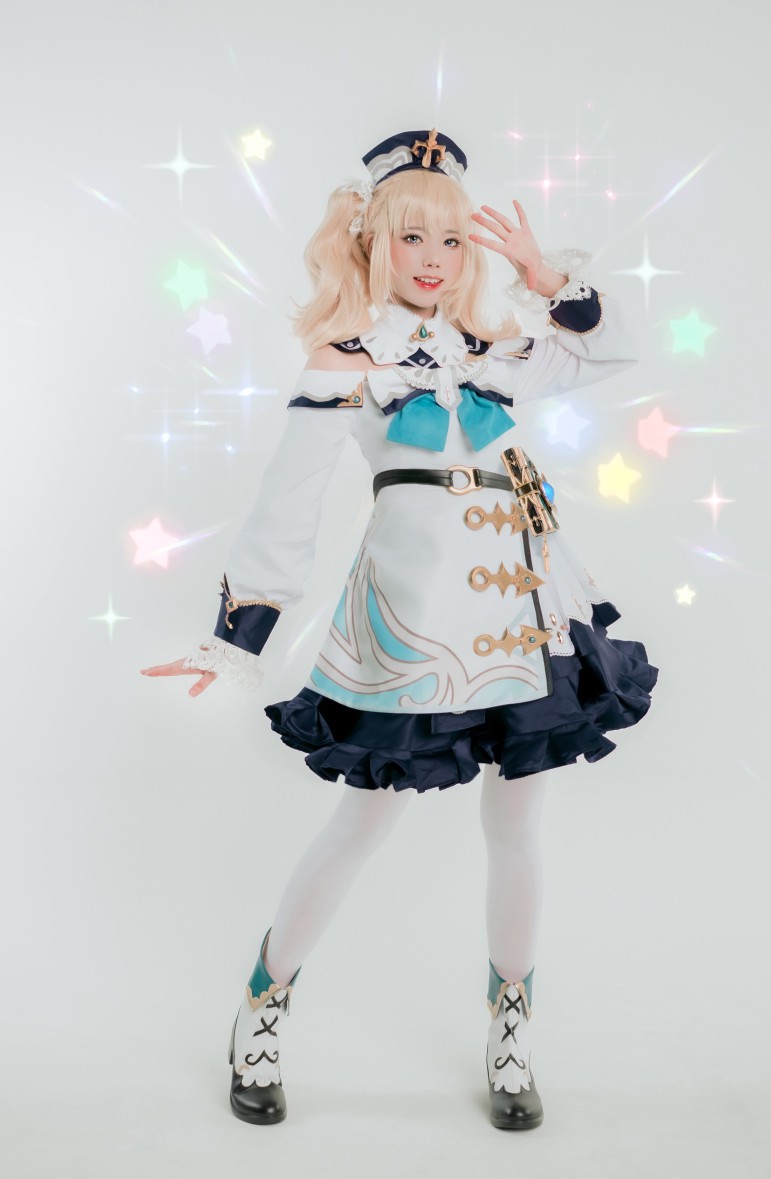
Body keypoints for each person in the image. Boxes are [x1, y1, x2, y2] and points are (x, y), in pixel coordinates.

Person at [140, 126, 659, 1131]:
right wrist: (236, 641)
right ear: (371, 242)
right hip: (412, 625)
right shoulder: (344, 363)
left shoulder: (501, 351)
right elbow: (288, 500)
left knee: (518, 824)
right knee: (362, 822)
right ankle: (263, 1004)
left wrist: (548, 278)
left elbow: (613, 346)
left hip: (525, 615)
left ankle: (511, 1028)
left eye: (452, 240)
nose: (433, 259)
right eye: (412, 237)